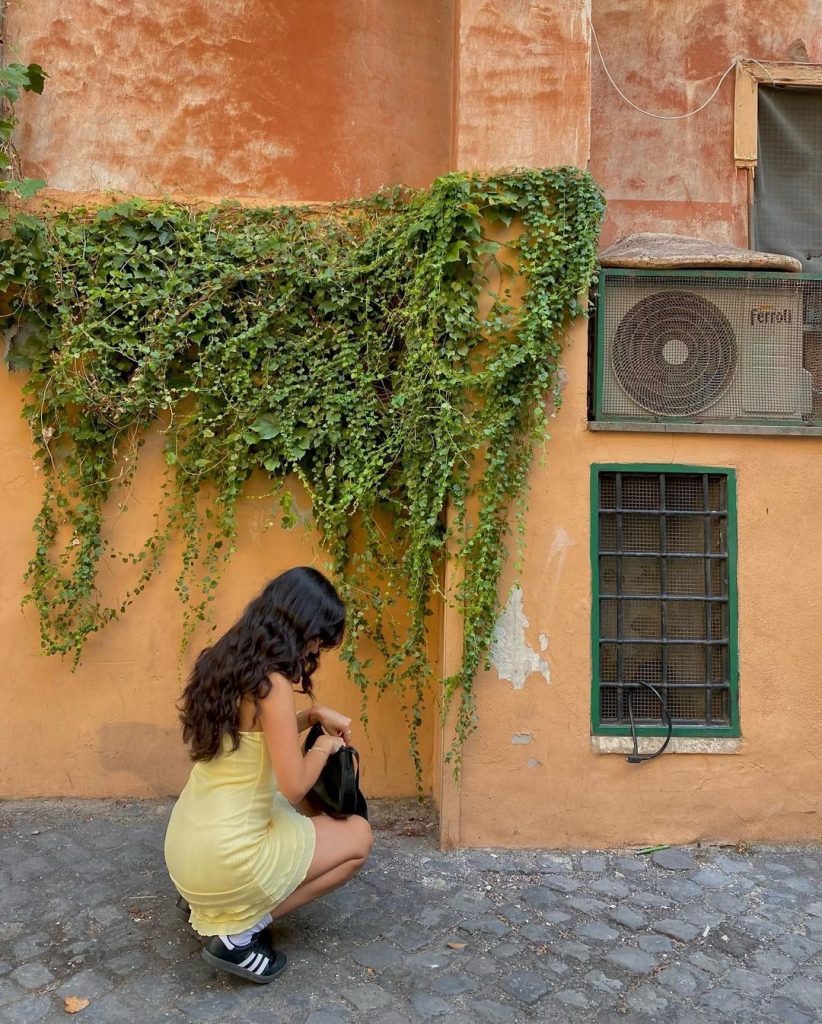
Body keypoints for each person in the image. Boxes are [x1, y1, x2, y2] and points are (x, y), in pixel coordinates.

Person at [164, 566, 373, 984]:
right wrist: (323, 746)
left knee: (280, 812)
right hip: (226, 859)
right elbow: (294, 786)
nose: (316, 647)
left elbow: (256, 733)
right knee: (358, 840)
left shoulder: (228, 657)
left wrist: (312, 714)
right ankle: (238, 933)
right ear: (302, 626)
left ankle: (211, 907)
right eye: (317, 638)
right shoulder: (272, 683)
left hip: (186, 849)